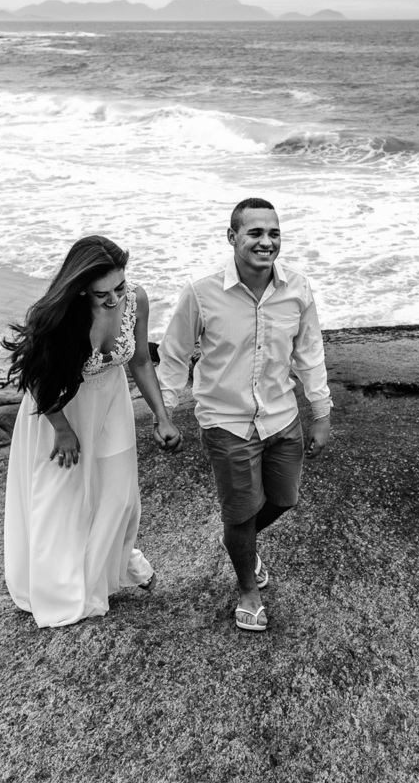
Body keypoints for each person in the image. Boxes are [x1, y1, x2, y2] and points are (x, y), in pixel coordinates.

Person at [158, 198, 331, 632]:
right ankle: (248, 590)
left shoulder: (298, 289)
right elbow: (174, 356)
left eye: (273, 233)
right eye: (255, 233)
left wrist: (321, 410)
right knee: (239, 513)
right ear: (232, 236)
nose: (266, 242)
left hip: (281, 415)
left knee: (285, 498)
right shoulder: (201, 293)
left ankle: (240, 540)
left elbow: (309, 354)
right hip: (226, 421)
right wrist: (166, 413)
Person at [2, 235, 182, 629]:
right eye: (103, 294)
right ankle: (64, 589)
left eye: (120, 287)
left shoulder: (136, 299)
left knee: (118, 494)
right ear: (81, 287)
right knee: (64, 499)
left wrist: (161, 415)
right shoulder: (57, 315)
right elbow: (37, 377)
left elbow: (138, 359)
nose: (115, 300)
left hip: (112, 403)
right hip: (60, 407)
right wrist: (63, 431)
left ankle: (107, 568)